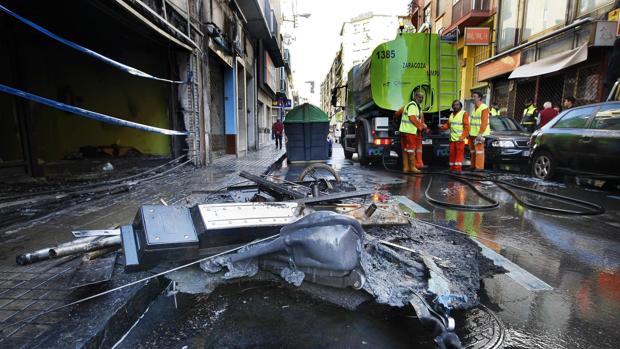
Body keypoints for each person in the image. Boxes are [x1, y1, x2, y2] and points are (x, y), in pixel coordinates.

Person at [397, 92, 426, 173]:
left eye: (422, 98)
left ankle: (406, 168)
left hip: (405, 130)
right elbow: (412, 118)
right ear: (415, 96)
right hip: (410, 131)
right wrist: (421, 126)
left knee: (405, 150)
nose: (421, 99)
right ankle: (412, 168)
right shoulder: (413, 106)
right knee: (411, 150)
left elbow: (398, 113)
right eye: (419, 97)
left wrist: (394, 117)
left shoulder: (411, 105)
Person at [441, 100, 470, 173]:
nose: (455, 106)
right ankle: (452, 168)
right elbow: (448, 125)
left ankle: (457, 169)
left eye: (457, 105)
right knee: (452, 154)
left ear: (460, 106)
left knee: (459, 154)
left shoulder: (464, 113)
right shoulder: (451, 115)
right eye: (454, 105)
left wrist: (463, 136)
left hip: (460, 139)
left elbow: (467, 127)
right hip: (452, 139)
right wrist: (442, 127)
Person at [469, 91, 490, 171]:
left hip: (479, 134)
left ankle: (479, 168)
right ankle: (473, 166)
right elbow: (472, 121)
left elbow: (484, 122)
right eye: (472, 96)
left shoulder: (484, 107)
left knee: (479, 151)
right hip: (473, 133)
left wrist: (480, 133)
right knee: (473, 151)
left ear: (479, 97)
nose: (473, 98)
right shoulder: (474, 107)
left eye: (474, 96)